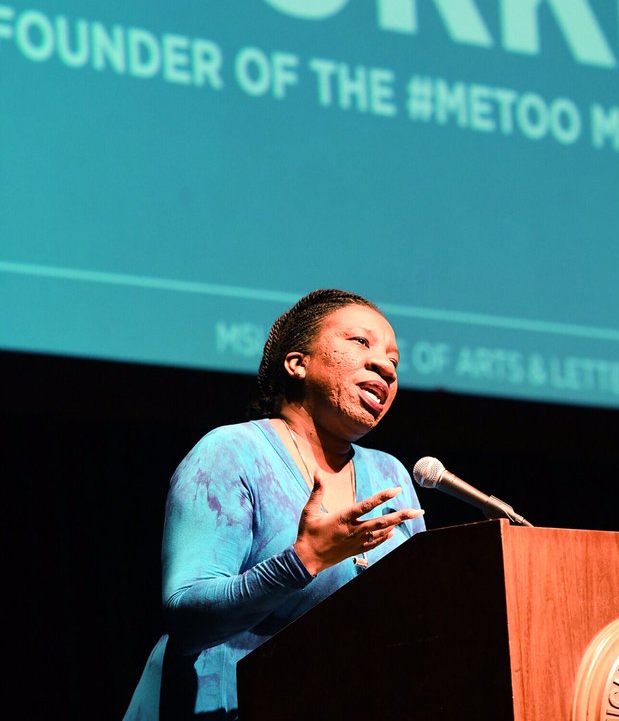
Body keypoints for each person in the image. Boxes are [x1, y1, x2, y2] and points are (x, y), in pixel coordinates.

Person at [123, 288, 425, 719]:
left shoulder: (392, 475)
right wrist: (302, 561)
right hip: (228, 701)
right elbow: (186, 618)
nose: (385, 367)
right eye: (361, 342)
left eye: (395, 361)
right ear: (297, 363)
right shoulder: (231, 452)